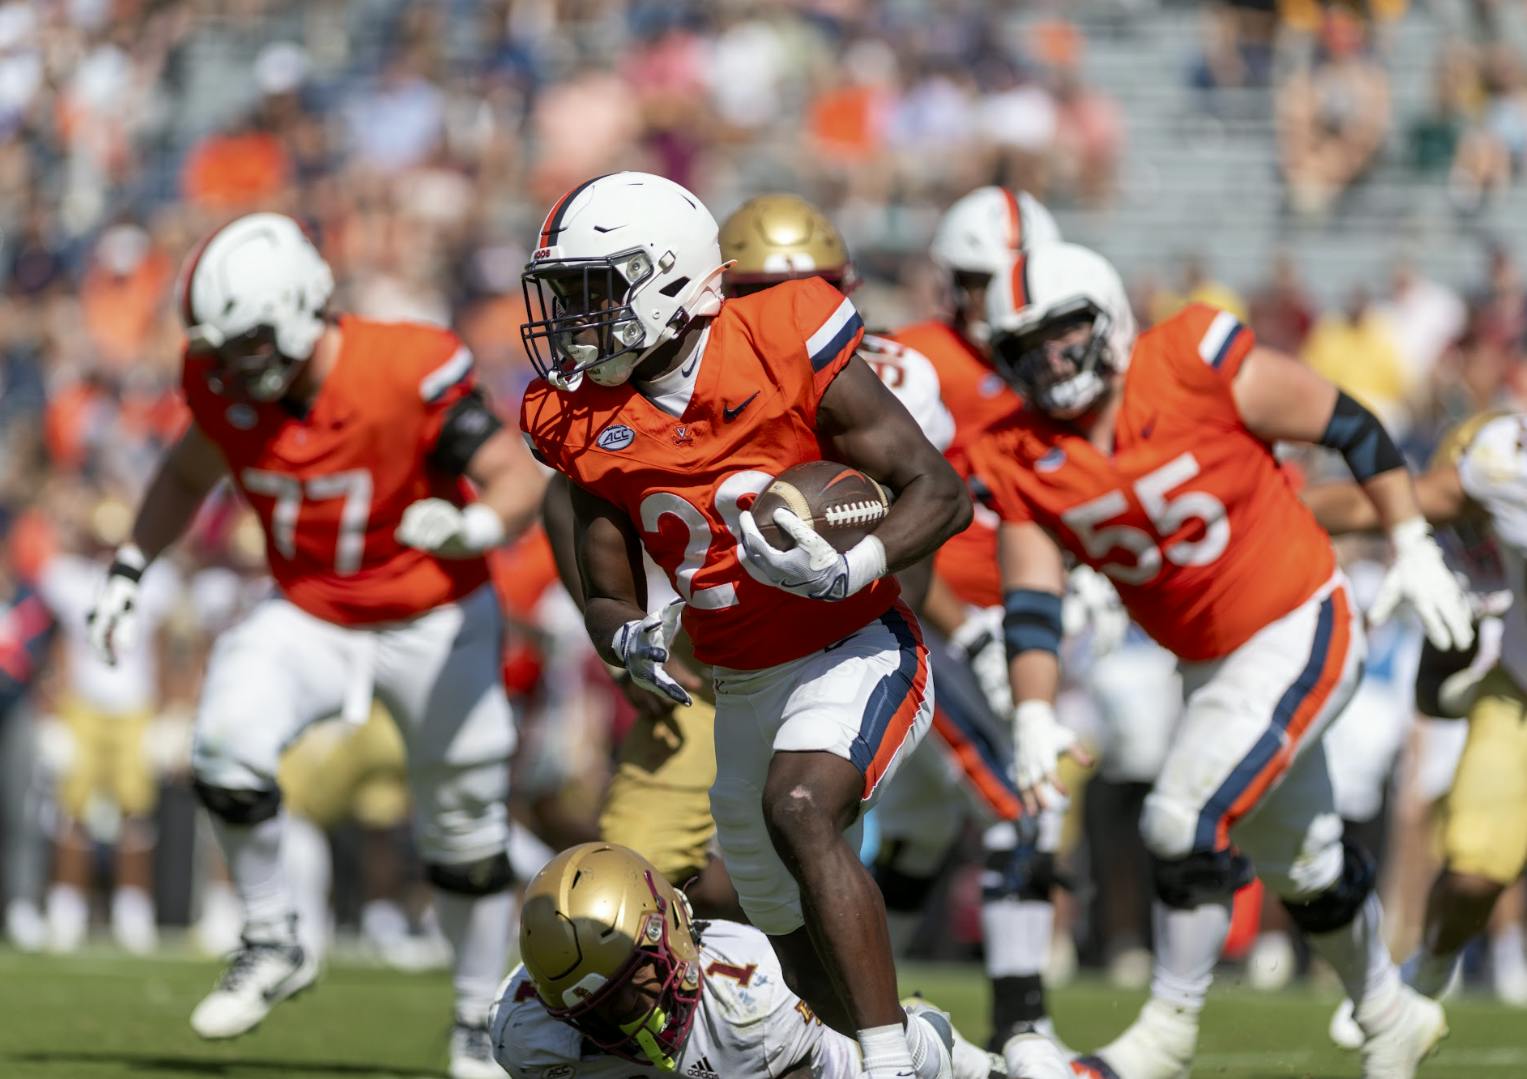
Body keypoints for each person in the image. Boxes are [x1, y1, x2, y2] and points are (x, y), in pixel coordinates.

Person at [962, 241, 1473, 1078]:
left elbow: (1347, 421)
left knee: (1180, 818)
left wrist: (1409, 538)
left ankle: (1165, 1033)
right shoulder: (1017, 453)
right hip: (1206, 662)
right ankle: (1388, 1014)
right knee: (1303, 862)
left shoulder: (1192, 357)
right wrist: (1031, 712)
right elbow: (1031, 598)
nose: (1049, 362)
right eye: (1024, 347)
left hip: (1298, 614)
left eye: (1063, 335)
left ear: (1108, 321)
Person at [518, 172, 970, 1079]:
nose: (574, 316)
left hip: (854, 645)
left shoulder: (780, 332)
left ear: (671, 279)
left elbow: (939, 490)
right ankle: (930, 1056)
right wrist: (628, 639)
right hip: (738, 683)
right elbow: (606, 584)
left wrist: (852, 563)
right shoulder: (578, 416)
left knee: (800, 809)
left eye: (594, 290)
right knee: (779, 915)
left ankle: (887, 1068)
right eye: (565, 293)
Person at [85, 212, 546, 1079]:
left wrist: (473, 523)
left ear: (303, 306)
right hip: (310, 611)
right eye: (220, 347)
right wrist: (130, 566)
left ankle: (477, 1017)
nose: (234, 365)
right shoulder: (222, 381)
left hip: (433, 610)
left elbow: (514, 474)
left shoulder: (402, 366)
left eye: (250, 340)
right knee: (223, 746)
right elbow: (189, 470)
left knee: (465, 835)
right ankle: (272, 936)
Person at [888, 186, 1111, 1049]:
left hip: (1016, 623)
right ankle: (1023, 1024)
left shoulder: (1057, 361)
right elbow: (878, 508)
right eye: (982, 280)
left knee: (917, 829)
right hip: (934, 621)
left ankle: (834, 1009)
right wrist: (965, 623)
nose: (995, 299)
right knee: (1025, 803)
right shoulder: (916, 361)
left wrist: (1093, 572)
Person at [491, 841, 1074, 1079]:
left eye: (632, 985)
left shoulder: (746, 998)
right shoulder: (525, 1035)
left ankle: (984, 1060)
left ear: (667, 929)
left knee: (922, 1056)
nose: (627, 1019)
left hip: (838, 1063)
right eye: (598, 1011)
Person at [1305, 411, 1527, 1025]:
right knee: (1476, 870)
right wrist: (1258, 508)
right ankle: (1428, 970)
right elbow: (1396, 500)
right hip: (1519, 694)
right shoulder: (1505, 465)